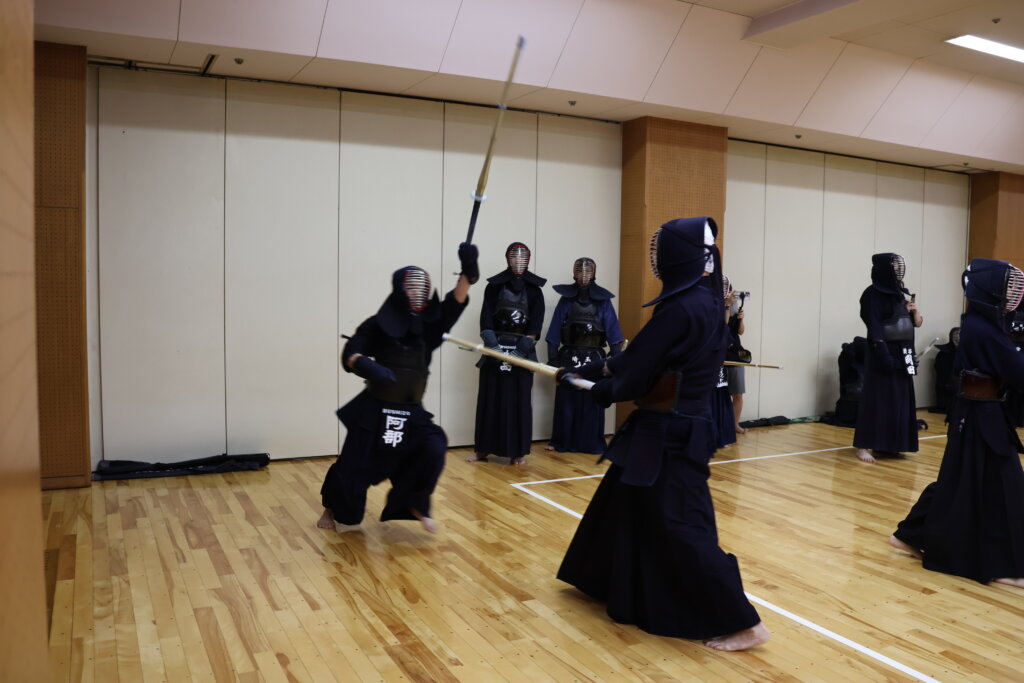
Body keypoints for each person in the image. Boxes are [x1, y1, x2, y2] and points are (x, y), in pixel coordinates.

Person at [556, 217, 769, 651]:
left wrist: (594, 389)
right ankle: (601, 579)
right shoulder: (704, 301)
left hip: (672, 432)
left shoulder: (683, 307)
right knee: (622, 500)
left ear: (679, 256)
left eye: (660, 250)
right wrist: (589, 370)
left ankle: (744, 622)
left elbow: (634, 376)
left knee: (681, 525)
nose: (655, 258)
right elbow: (640, 358)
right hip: (671, 426)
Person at [317, 243, 479, 533]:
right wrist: (370, 367)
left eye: (422, 288)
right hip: (375, 408)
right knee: (352, 466)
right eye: (411, 287)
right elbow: (350, 353)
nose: (417, 293)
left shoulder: (430, 328)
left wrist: (468, 270)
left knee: (433, 446)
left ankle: (413, 503)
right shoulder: (378, 324)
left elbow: (455, 302)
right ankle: (331, 507)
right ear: (399, 290)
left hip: (411, 409)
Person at [889, 258, 1024, 589]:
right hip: (980, 417)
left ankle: (908, 534)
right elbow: (1016, 372)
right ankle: (1002, 565)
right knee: (1004, 486)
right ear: (990, 289)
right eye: (1007, 287)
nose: (1013, 294)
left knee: (959, 480)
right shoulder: (984, 329)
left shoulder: (981, 323)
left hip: (979, 414)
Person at [468, 242, 546, 465]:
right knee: (490, 400)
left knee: (518, 402)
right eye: (514, 256)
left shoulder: (534, 290)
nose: (518, 261)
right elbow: (486, 320)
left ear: (528, 259)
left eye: (523, 257)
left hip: (522, 352)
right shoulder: (493, 287)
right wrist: (494, 347)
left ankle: (517, 452)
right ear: (507, 259)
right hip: (495, 348)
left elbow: (535, 326)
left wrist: (521, 350)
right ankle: (482, 450)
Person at [544, 257, 624, 454]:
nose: (584, 275)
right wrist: (554, 362)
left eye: (588, 271)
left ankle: (591, 443)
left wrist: (617, 363)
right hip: (569, 356)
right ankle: (561, 442)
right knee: (566, 403)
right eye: (580, 271)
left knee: (592, 402)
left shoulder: (604, 302)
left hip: (594, 360)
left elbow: (614, 335)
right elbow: (554, 333)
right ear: (574, 273)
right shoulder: (566, 300)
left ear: (594, 273)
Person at [853, 253, 922, 464]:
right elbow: (874, 324)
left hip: (903, 351)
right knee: (877, 399)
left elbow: (913, 322)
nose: (898, 271)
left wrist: (910, 310)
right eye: (894, 267)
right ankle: (863, 446)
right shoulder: (871, 294)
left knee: (899, 399)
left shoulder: (900, 292)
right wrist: (882, 352)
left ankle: (891, 445)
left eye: (899, 267)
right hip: (882, 351)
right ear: (884, 269)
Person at [710, 275, 736, 449]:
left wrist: (727, 305)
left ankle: (720, 436)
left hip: (716, 359)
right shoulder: (706, 305)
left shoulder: (720, 307)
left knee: (719, 394)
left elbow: (723, 329)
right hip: (704, 361)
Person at [726, 285, 748, 434]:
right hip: (721, 354)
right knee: (721, 394)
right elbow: (722, 326)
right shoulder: (718, 307)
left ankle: (735, 424)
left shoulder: (735, 309)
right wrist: (726, 305)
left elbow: (741, 331)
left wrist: (741, 319)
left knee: (738, 393)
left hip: (736, 354)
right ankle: (723, 426)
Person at [930, 327, 959, 414]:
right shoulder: (943, 353)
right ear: (951, 336)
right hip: (946, 382)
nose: (957, 337)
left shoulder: (965, 351)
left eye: (959, 334)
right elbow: (940, 369)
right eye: (955, 334)